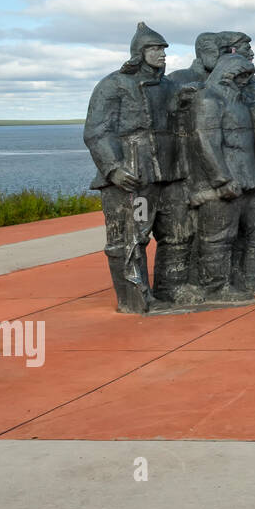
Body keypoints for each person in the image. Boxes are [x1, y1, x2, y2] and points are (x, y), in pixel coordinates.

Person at [83, 22, 191, 312]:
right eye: (155, 49)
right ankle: (135, 299)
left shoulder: (170, 87)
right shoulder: (113, 85)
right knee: (132, 238)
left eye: (164, 49)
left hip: (168, 173)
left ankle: (171, 290)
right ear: (139, 53)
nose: (162, 54)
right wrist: (114, 168)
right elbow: (96, 132)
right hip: (133, 174)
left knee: (178, 232)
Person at [188, 52, 255, 300]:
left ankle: (252, 277)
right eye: (240, 77)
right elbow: (205, 141)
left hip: (250, 178)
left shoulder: (239, 101)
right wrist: (221, 179)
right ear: (226, 75)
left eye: (247, 77)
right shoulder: (208, 100)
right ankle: (216, 287)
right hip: (223, 181)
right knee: (218, 237)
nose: (244, 82)